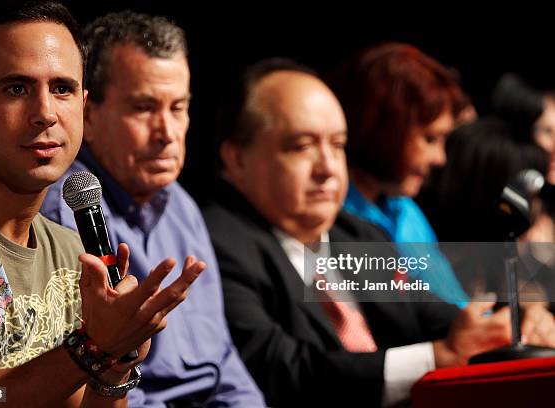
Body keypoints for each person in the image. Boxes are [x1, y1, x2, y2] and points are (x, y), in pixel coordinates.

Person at [202, 58, 555, 407]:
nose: (328, 167)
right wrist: (437, 358)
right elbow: (282, 373)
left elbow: (439, 318)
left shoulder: (357, 235)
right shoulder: (217, 245)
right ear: (236, 159)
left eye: (337, 145)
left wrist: (515, 325)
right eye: (302, 146)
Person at [0, 1, 203, 406]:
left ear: (83, 106)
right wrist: (93, 351)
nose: (45, 113)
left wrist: (115, 360)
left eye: (61, 89)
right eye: (17, 89)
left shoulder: (71, 251)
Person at [41, 11, 265, 407]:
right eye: (144, 108)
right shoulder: (64, 210)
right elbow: (83, 384)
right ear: (88, 117)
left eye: (178, 108)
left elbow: (224, 362)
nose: (167, 133)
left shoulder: (182, 204)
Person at [328, 43, 471, 307]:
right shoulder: (325, 220)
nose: (440, 159)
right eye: (430, 139)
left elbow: (455, 309)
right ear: (384, 130)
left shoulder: (405, 210)